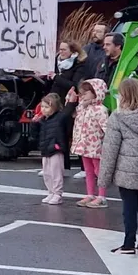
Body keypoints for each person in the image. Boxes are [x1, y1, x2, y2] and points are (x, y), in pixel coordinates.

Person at [98, 78, 138, 255]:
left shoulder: (117, 117)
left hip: (125, 171)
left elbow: (110, 150)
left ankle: (128, 244)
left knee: (129, 209)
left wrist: (104, 179)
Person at [49, 40, 88, 174]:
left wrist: (56, 77)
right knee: (59, 133)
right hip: (56, 101)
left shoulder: (79, 65)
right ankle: (63, 165)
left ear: (73, 52)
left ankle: (84, 167)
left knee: (74, 132)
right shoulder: (57, 64)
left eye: (64, 50)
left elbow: (74, 84)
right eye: (60, 49)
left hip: (71, 103)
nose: (61, 52)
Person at [72, 79, 110, 209]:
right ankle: (90, 194)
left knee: (99, 171)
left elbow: (106, 128)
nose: (82, 96)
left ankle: (102, 196)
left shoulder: (101, 110)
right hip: (84, 145)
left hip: (97, 145)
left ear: (96, 92)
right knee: (88, 171)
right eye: (81, 93)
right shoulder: (83, 108)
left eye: (86, 93)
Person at [36, 92, 77, 205]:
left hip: (56, 149)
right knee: (47, 173)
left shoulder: (59, 117)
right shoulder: (43, 120)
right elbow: (36, 134)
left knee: (56, 172)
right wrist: (34, 123)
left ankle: (57, 194)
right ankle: (51, 191)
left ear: (54, 107)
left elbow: (66, 114)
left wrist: (71, 103)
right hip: (46, 149)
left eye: (46, 107)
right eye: (42, 107)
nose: (43, 109)